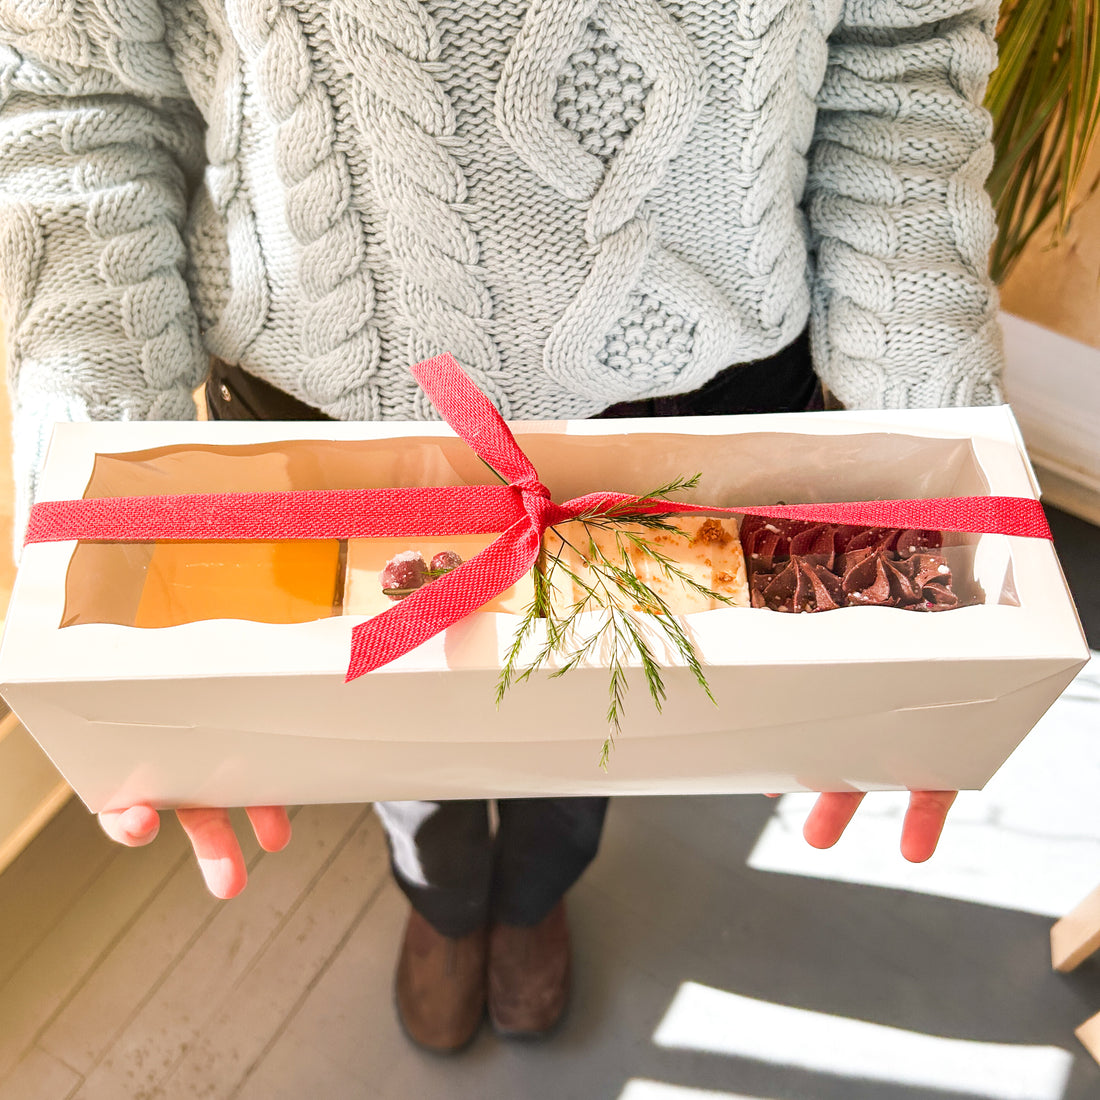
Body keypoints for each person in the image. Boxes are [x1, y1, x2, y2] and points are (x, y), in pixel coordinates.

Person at [0, 0, 989, 1054]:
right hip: (327, 413)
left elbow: (900, 60)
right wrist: (95, 522)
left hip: (702, 405)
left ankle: (534, 893)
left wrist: (938, 490)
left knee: (606, 712)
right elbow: (79, 98)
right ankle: (445, 896)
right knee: (396, 729)